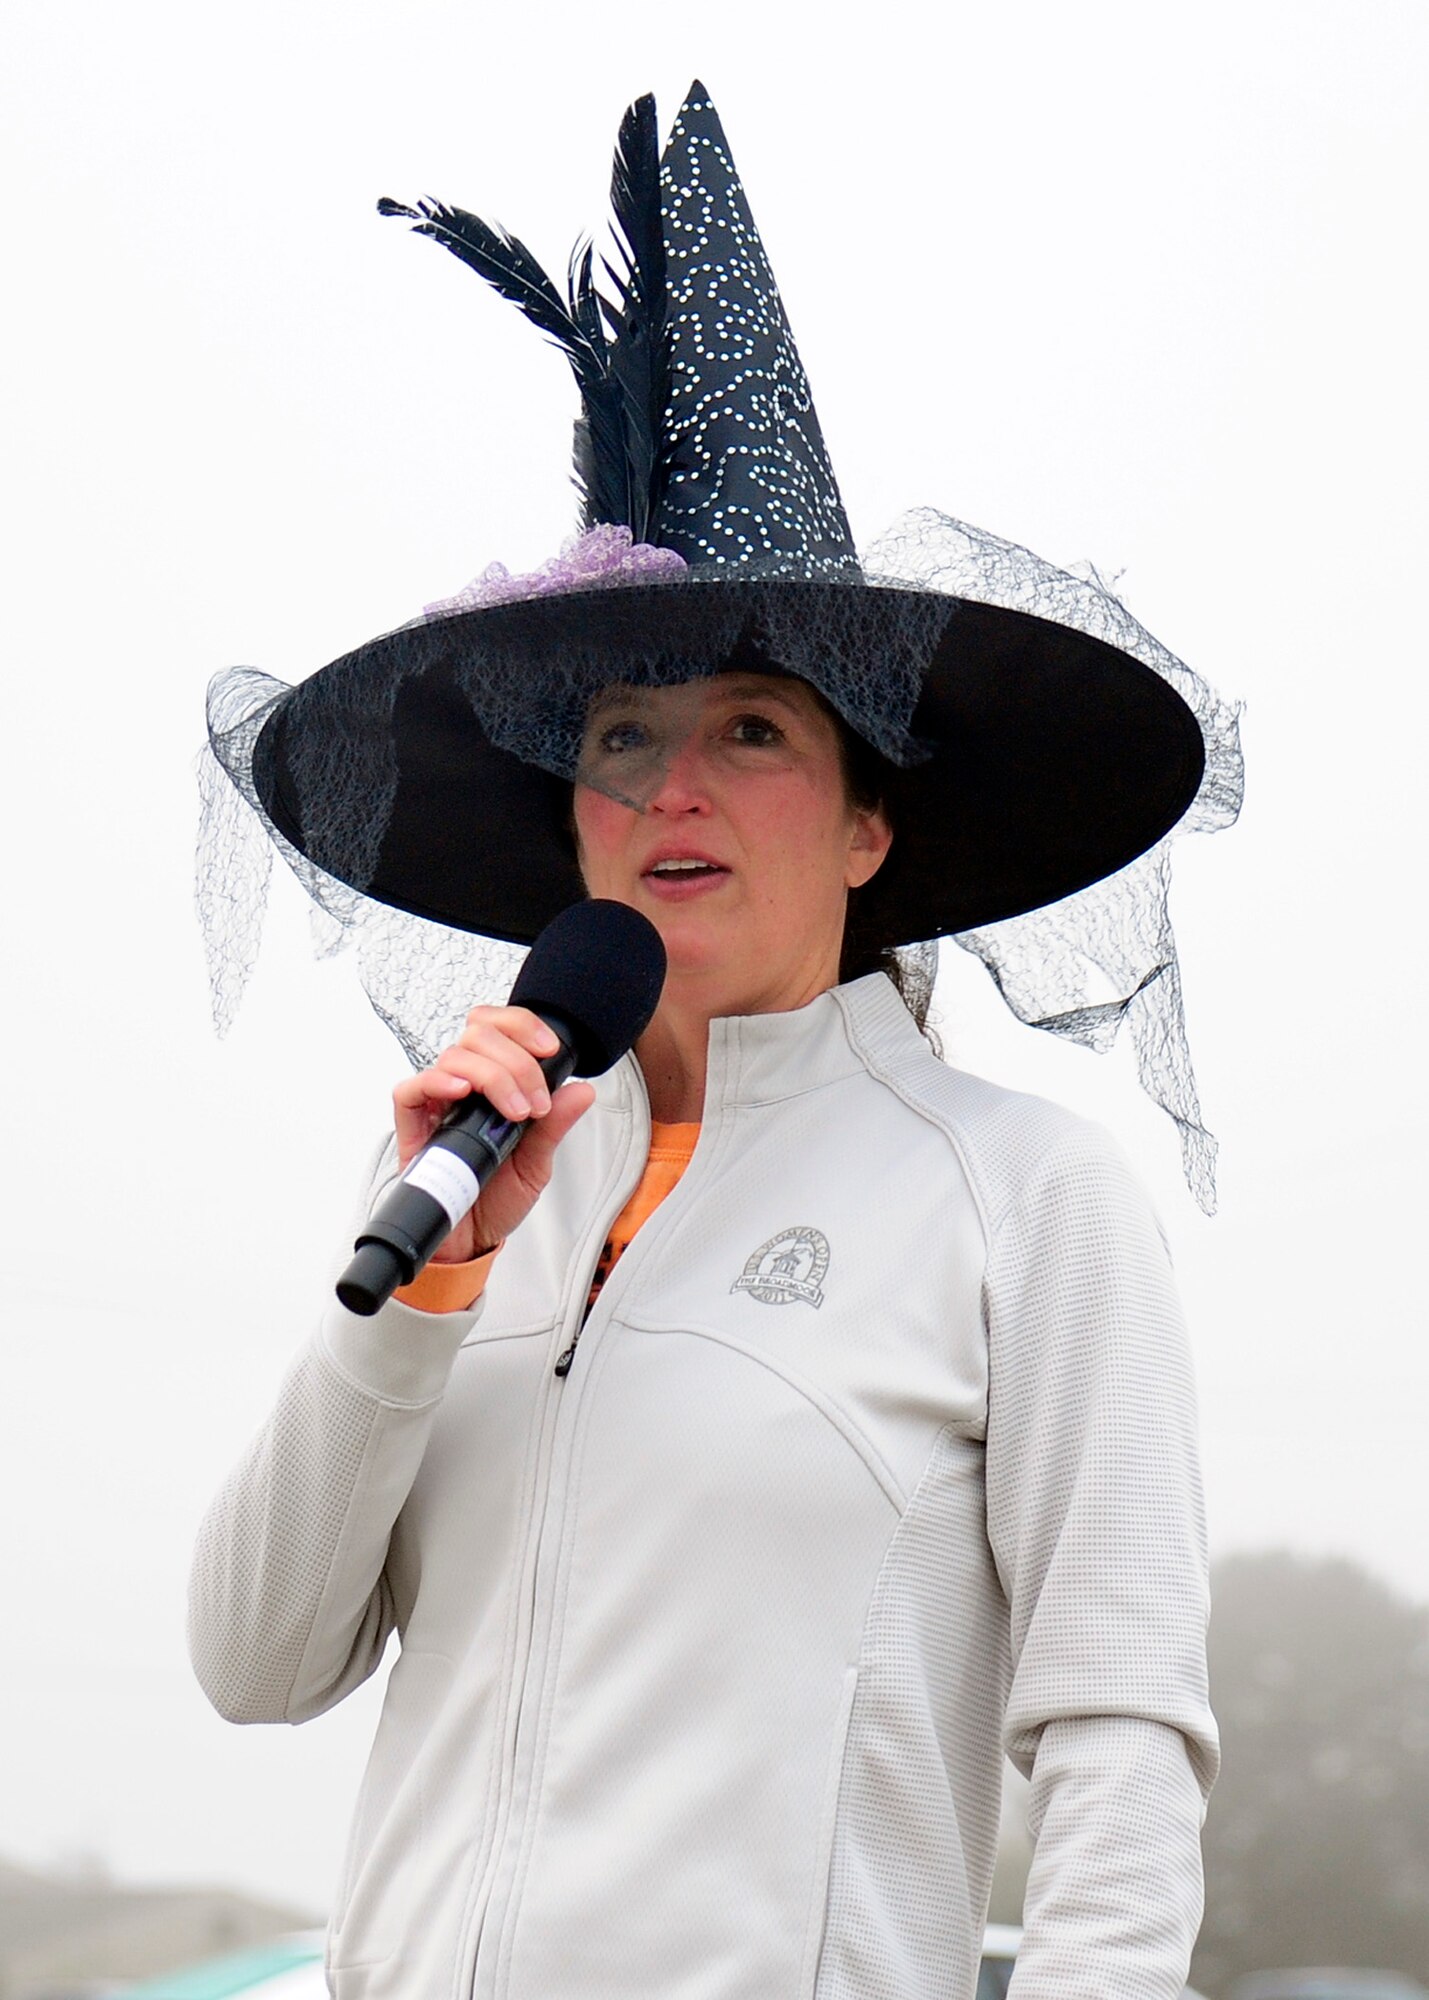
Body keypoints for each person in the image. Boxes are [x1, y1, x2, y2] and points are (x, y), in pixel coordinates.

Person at [190, 83, 1239, 2000]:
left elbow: (1115, 1738)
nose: (675, 783)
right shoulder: (460, 1190)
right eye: (620, 739)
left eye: (752, 726)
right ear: (572, 829)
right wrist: (422, 1299)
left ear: (867, 827)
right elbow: (257, 1660)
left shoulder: (1022, 1196)